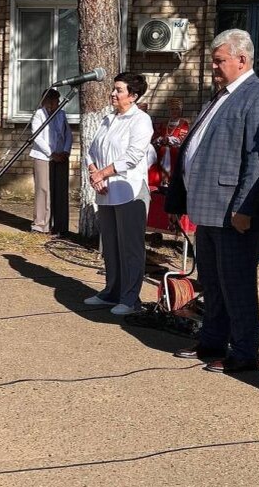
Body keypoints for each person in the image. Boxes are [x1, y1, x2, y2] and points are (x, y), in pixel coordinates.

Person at [165, 29, 259, 373]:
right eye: (214, 61)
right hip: (208, 208)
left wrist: (244, 208)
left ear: (242, 60)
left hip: (234, 212)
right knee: (213, 283)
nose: (214, 68)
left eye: (220, 61)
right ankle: (211, 341)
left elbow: (258, 161)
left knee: (238, 286)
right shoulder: (219, 96)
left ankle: (244, 352)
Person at [83, 73, 154, 315]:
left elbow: (133, 157)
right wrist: (95, 174)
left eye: (119, 90)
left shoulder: (141, 121)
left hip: (130, 191)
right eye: (113, 89)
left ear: (133, 96)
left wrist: (103, 173)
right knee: (111, 246)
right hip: (105, 191)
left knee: (131, 247)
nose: (113, 94)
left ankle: (130, 298)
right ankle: (111, 291)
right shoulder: (108, 119)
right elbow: (91, 150)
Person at [29, 88, 73, 236]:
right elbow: (37, 137)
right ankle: (41, 225)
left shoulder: (61, 114)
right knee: (44, 190)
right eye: (55, 101)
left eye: (58, 101)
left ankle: (60, 226)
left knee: (60, 190)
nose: (58, 104)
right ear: (47, 102)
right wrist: (51, 153)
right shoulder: (38, 115)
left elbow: (68, 134)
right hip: (43, 157)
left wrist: (66, 151)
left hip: (61, 156)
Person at [151, 97, 190, 186]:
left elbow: (182, 139)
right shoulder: (164, 123)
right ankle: (163, 181)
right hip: (163, 152)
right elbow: (156, 137)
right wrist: (160, 139)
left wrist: (169, 139)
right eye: (172, 109)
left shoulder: (184, 123)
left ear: (180, 110)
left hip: (176, 153)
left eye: (177, 109)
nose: (174, 111)